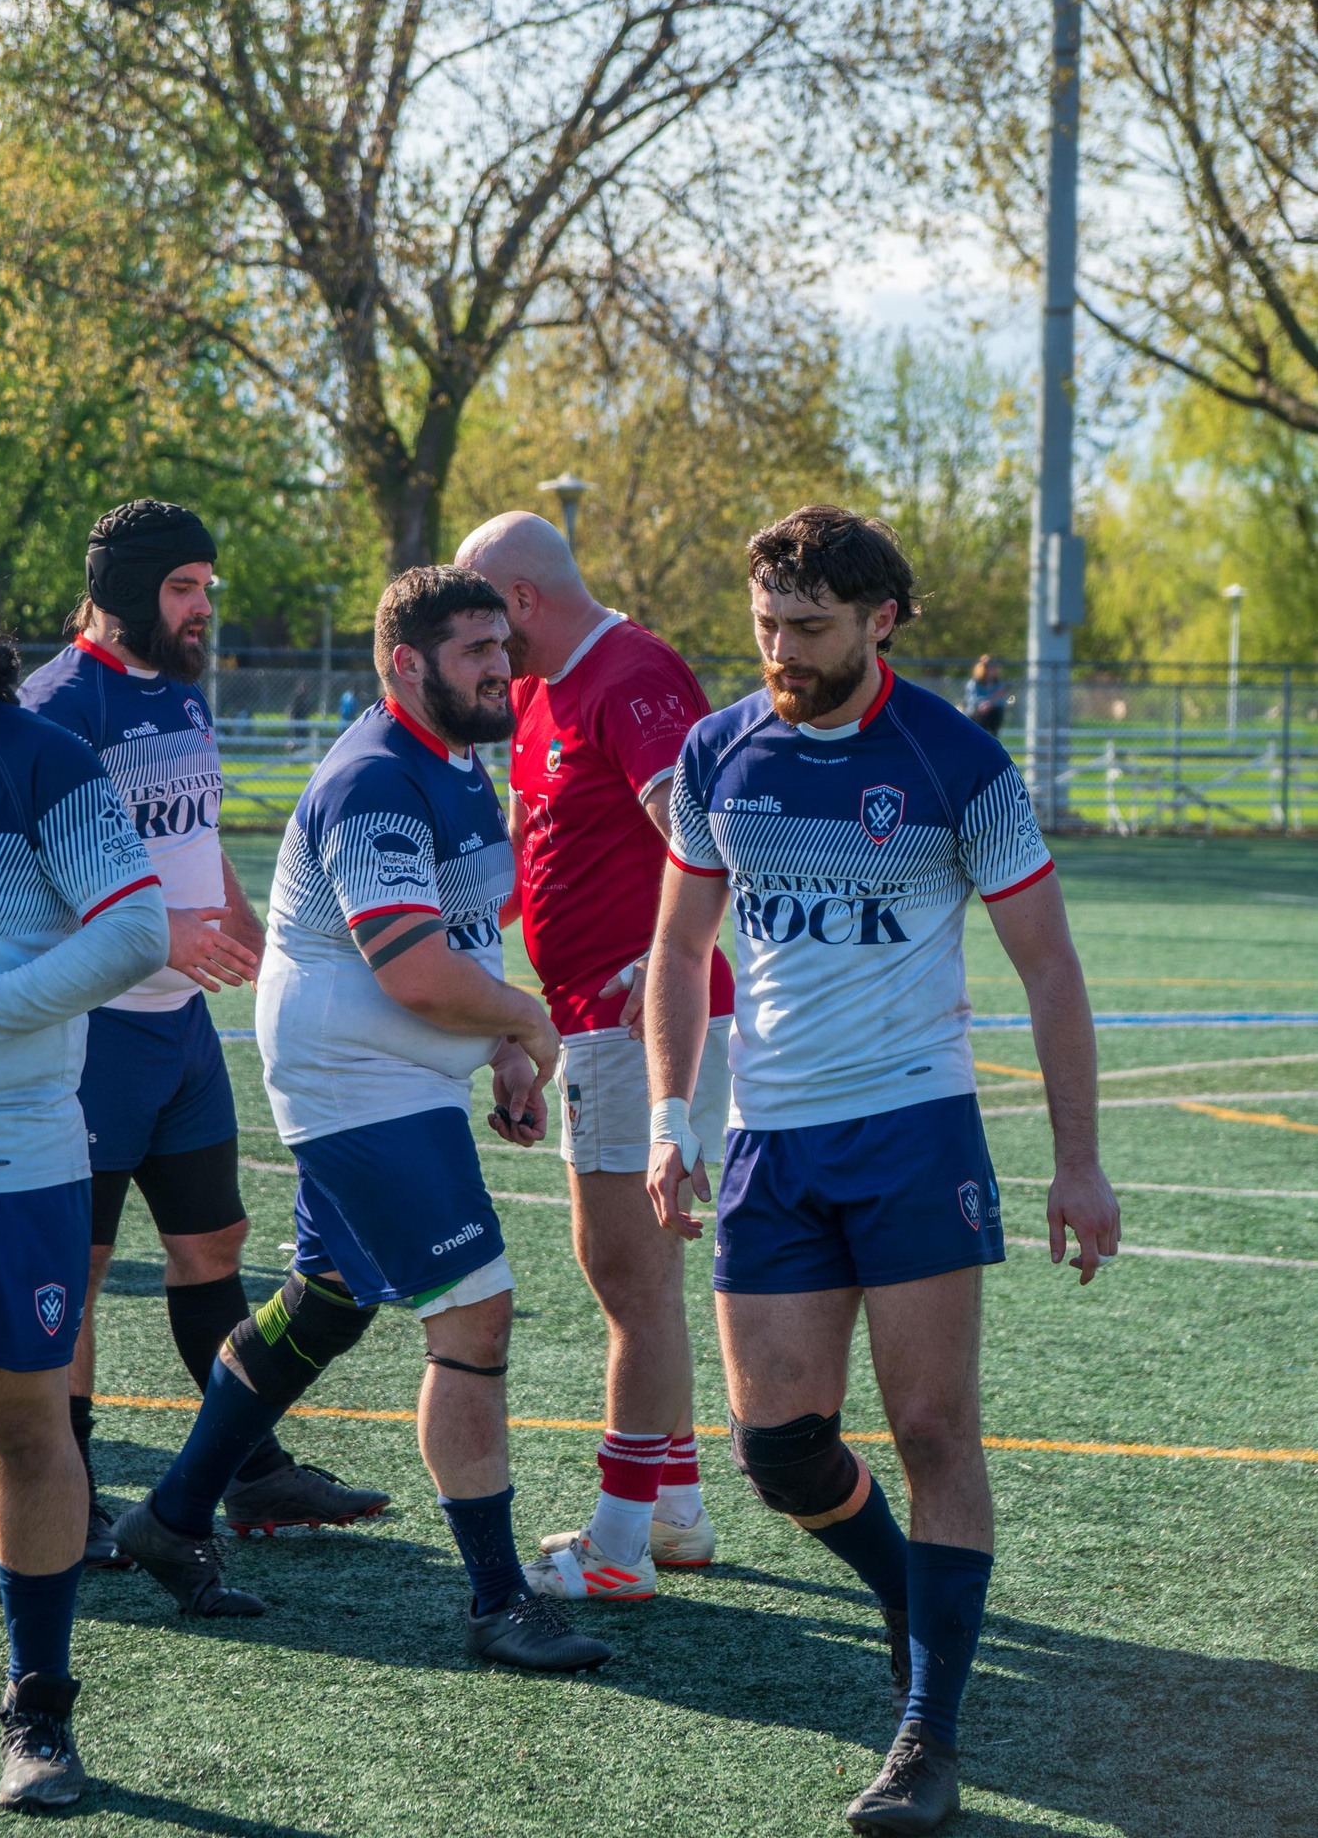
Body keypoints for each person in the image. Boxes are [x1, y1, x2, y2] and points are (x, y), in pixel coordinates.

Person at [644, 506, 1119, 1834]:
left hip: (914, 1133)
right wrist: (675, 1114)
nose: (781, 651)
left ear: (880, 622)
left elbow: (1049, 967)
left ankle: (929, 1732)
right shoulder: (717, 751)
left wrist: (1077, 1163)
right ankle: (922, 1600)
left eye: (809, 629)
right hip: (771, 1144)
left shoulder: (954, 760)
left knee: (927, 1431)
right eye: (765, 627)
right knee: (779, 1451)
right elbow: (684, 950)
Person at [111, 565, 610, 1673]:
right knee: (475, 1316)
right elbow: (415, 967)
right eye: (476, 649)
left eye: (501, 643)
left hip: (405, 1069)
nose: (501, 665)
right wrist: (527, 1023)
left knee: (325, 1300)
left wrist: (504, 1054)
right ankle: (494, 1598)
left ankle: (172, 1516)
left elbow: (463, 939)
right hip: (356, 1079)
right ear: (406, 664)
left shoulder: (460, 762)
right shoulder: (374, 778)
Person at [19, 500, 387, 1566]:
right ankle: (73, 1494)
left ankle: (255, 1472)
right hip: (92, 1037)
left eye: (206, 589)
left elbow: (193, 827)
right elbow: (32, 881)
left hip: (178, 1033)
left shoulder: (180, 691)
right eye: (184, 588)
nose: (202, 609)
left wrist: (235, 912)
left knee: (211, 1245)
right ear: (128, 588)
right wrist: (155, 924)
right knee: (74, 1270)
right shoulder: (53, 706)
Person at [456, 512, 734, 1603]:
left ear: (521, 600)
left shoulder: (631, 673)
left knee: (630, 1275)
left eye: (485, 617)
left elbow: (711, 835)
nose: (480, 644)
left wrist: (655, 964)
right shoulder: (539, 687)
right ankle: (672, 1508)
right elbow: (545, 850)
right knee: (634, 1271)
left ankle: (619, 1542)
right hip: (579, 1019)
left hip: (635, 1020)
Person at [0, 555, 169, 1810]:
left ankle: (38, 1712)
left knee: (24, 1425)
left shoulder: (38, 757)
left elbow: (136, 931)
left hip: (4, 1157)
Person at [962, 655, 1013, 738]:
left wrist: (990, 703)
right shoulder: (974, 683)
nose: (992, 669)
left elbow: (1002, 701)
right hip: (976, 713)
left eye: (994, 666)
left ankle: (992, 738)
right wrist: (983, 704)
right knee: (980, 715)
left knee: (996, 712)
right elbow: (972, 699)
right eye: (988, 666)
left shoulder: (999, 684)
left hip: (993, 712)